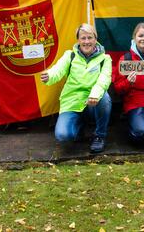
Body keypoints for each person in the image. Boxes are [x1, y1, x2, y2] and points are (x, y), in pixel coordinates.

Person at [41, 24, 112, 154]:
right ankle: (79, 127)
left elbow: (104, 80)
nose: (86, 41)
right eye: (83, 38)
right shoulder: (70, 55)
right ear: (78, 40)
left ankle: (99, 136)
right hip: (72, 102)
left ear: (95, 39)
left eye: (90, 38)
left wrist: (95, 95)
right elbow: (58, 70)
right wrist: (49, 76)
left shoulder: (105, 59)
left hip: (93, 102)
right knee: (63, 135)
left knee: (105, 98)